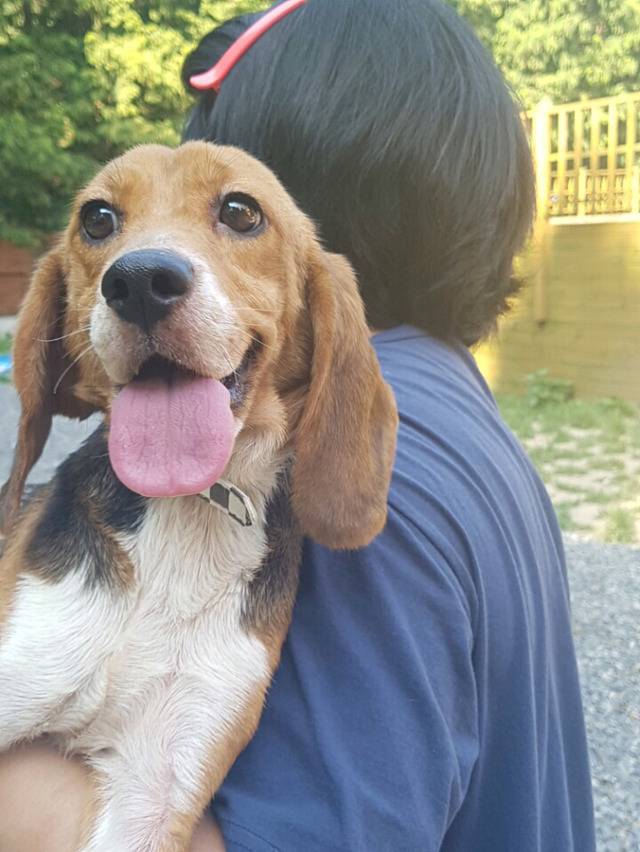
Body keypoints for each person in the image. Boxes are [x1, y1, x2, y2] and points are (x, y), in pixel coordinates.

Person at [0, 1, 595, 850]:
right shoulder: (468, 418)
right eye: (107, 221)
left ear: (296, 200)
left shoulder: (368, 466)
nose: (148, 256)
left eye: (236, 212)